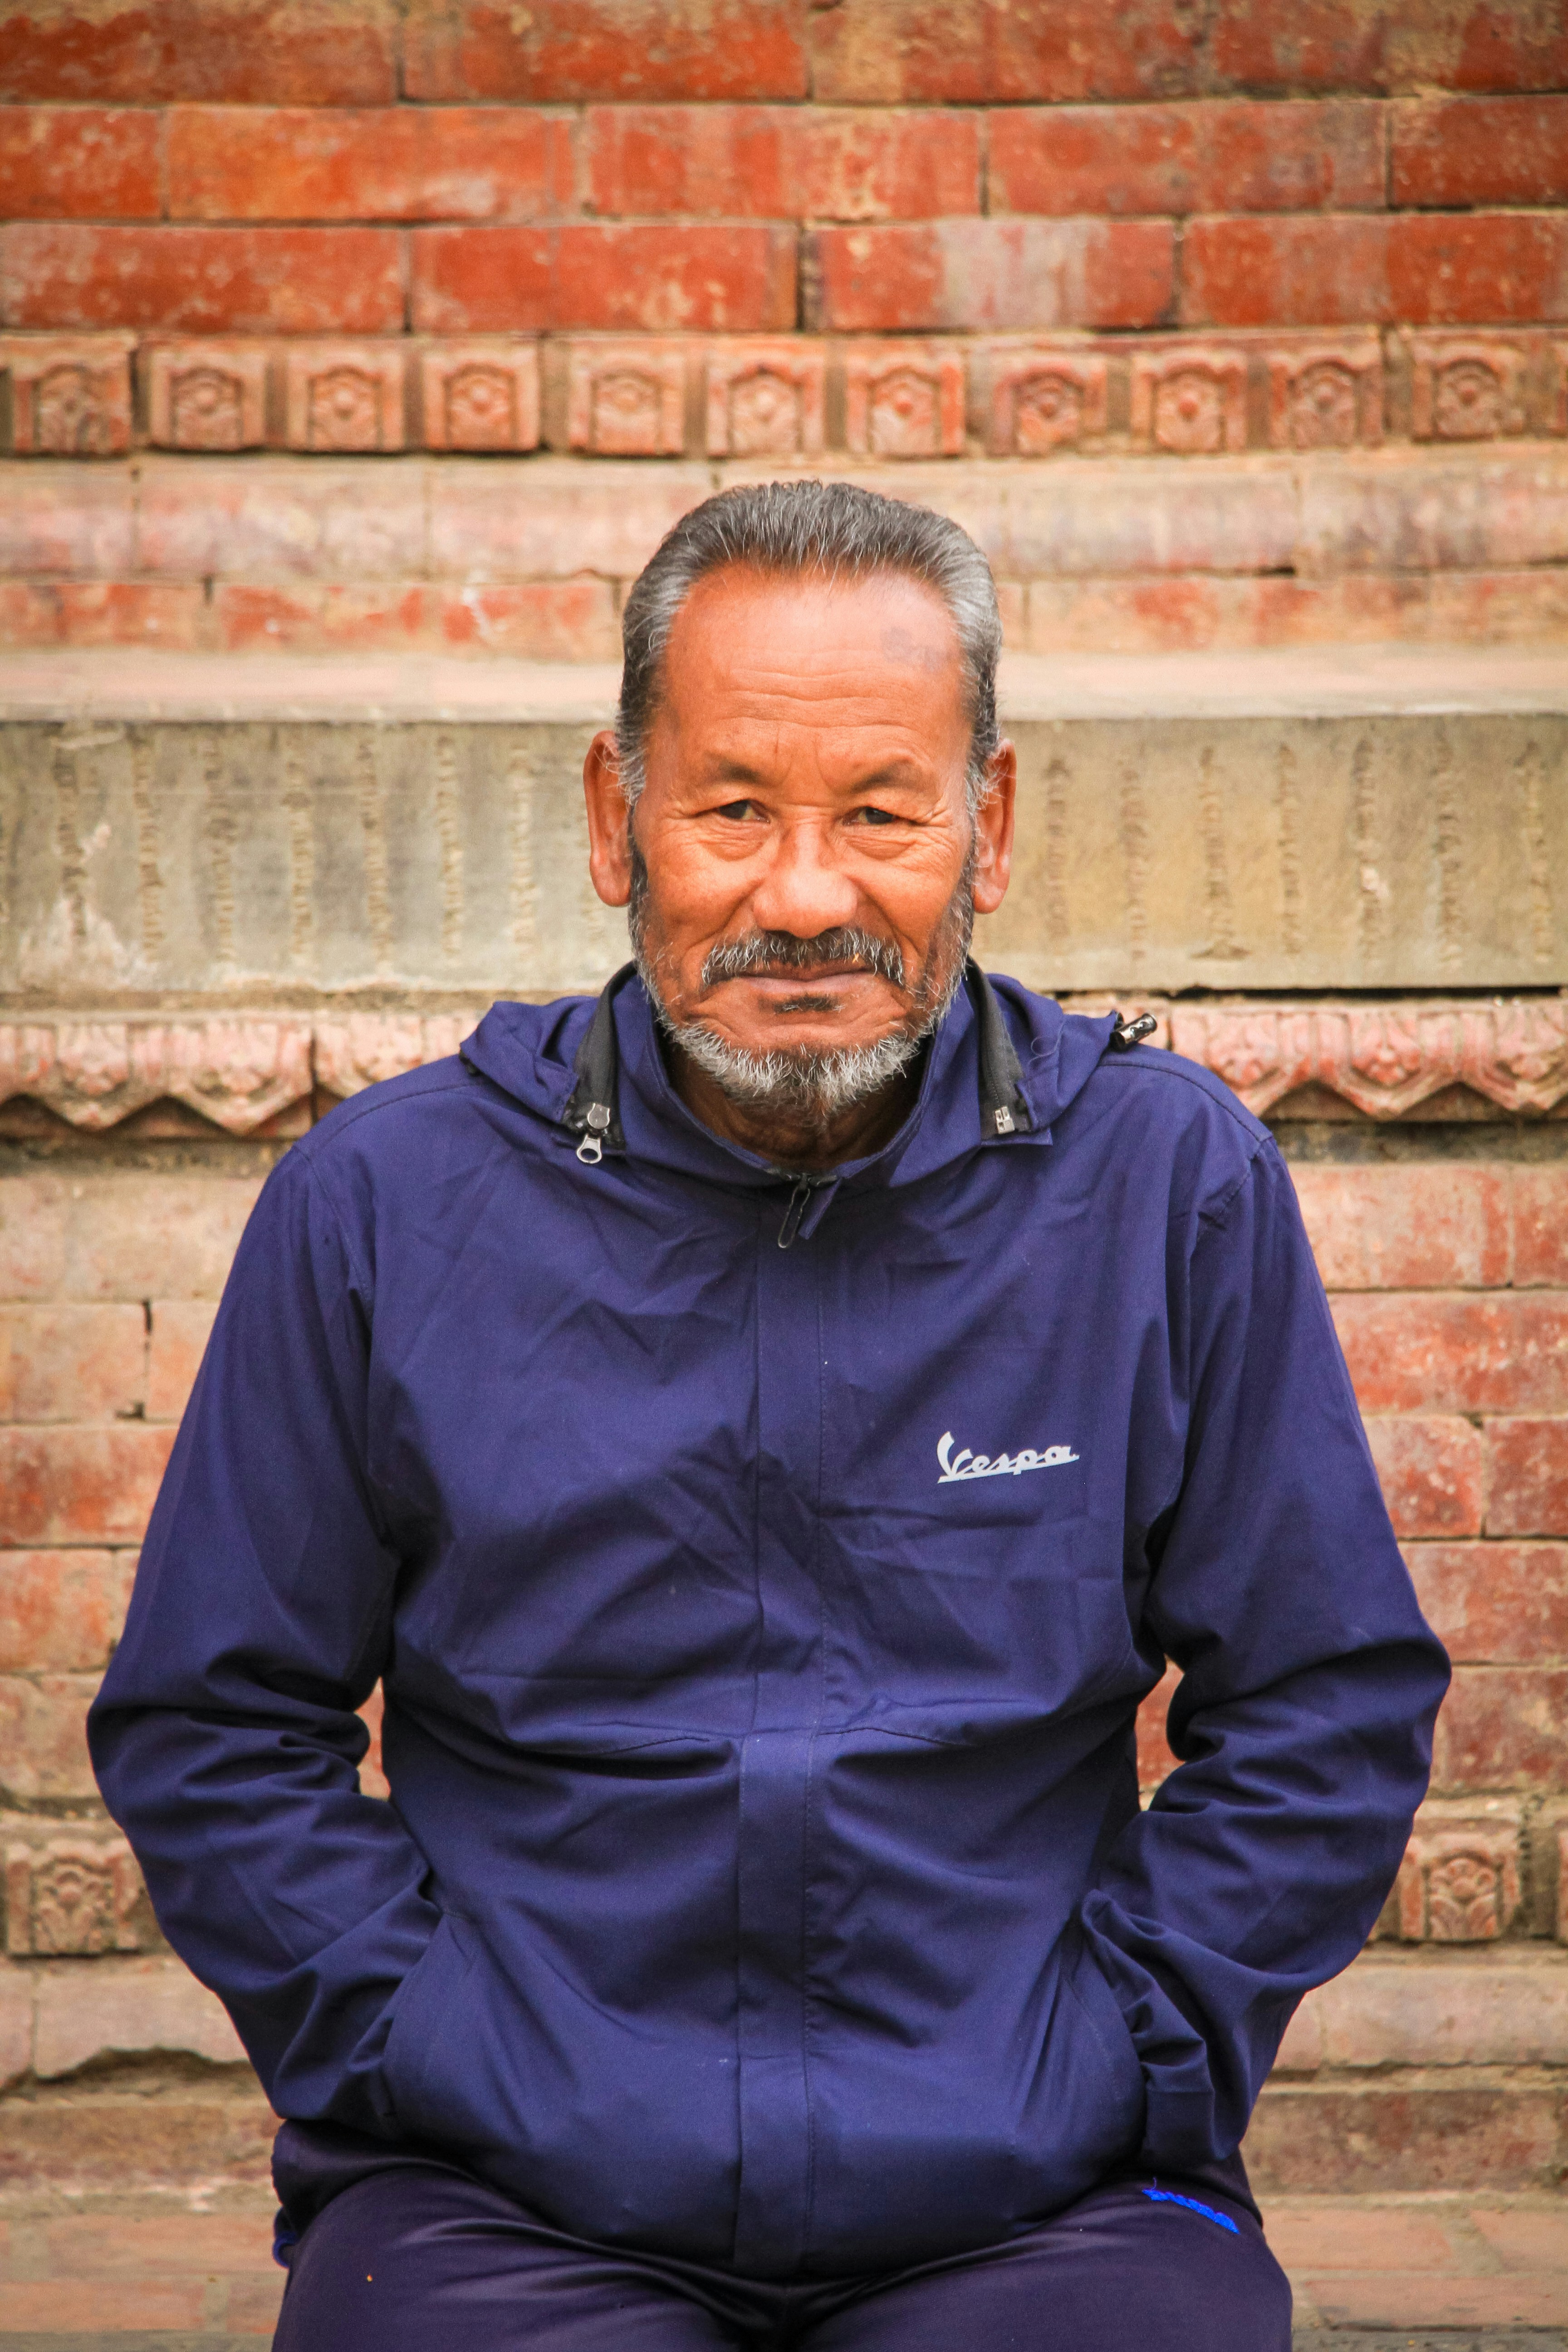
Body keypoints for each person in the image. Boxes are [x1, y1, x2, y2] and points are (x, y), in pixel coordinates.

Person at [90, 481, 1449, 2349]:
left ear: (990, 826)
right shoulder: (386, 1207)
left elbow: (1325, 1703)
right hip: (502, 2201)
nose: (804, 896)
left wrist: (1127, 2047)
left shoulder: (1166, 1184)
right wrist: (425, 2039)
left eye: (881, 814)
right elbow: (215, 1724)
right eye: (733, 809)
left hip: (1039, 2199)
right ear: (613, 819)